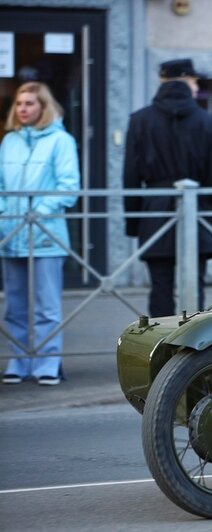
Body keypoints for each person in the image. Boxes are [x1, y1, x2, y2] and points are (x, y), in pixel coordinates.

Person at [123, 58, 212, 318]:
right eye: (194, 81)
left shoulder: (140, 120)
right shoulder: (204, 120)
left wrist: (133, 221)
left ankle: (158, 348)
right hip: (199, 210)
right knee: (196, 286)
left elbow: (131, 175)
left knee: (160, 286)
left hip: (154, 210)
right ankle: (195, 352)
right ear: (186, 80)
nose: (196, 86)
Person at [0, 82, 79, 385]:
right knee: (15, 306)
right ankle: (19, 362)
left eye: (30, 103)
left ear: (43, 107)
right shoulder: (10, 141)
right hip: (11, 232)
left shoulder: (61, 141)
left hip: (45, 234)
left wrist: (37, 214)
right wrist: (8, 214)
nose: (23, 109)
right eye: (19, 103)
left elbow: (68, 187)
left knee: (47, 306)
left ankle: (48, 363)